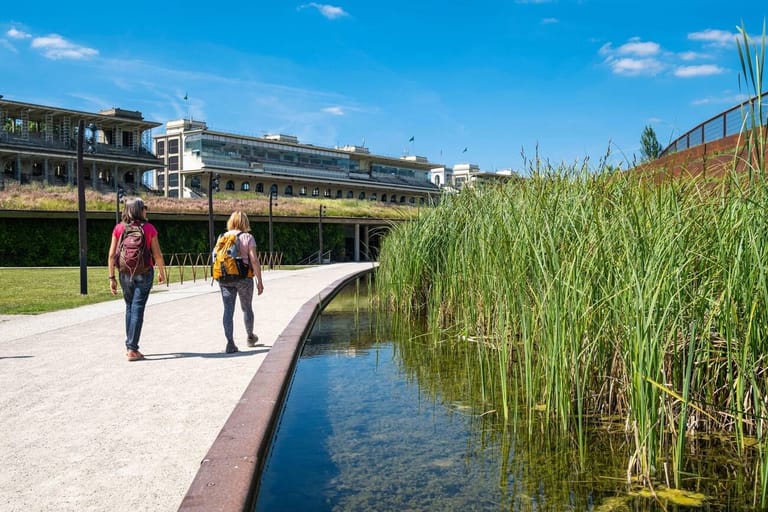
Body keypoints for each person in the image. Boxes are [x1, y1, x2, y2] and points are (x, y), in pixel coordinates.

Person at [107, 197, 166, 361]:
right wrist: (162, 272)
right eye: (144, 208)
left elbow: (112, 255)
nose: (146, 210)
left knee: (129, 307)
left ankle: (130, 346)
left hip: (125, 272)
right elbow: (157, 254)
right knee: (138, 308)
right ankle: (132, 348)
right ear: (139, 210)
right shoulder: (148, 228)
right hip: (145, 271)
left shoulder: (119, 228)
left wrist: (111, 277)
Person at [217, 210, 264, 353]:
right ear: (245, 222)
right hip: (244, 278)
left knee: (228, 310)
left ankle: (230, 343)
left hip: (225, 278)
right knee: (247, 308)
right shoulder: (248, 237)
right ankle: (250, 337)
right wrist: (259, 281)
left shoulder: (222, 237)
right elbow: (254, 260)